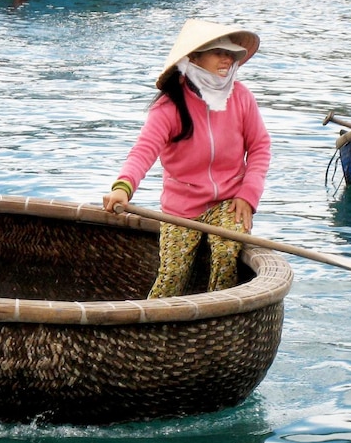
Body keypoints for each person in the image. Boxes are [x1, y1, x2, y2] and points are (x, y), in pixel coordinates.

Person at [103, 19, 271, 299]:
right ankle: (156, 323)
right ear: (194, 57)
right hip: (181, 208)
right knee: (172, 275)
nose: (227, 60)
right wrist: (123, 188)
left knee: (226, 248)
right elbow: (143, 151)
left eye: (231, 54)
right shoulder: (169, 106)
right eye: (219, 52)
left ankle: (218, 312)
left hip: (229, 201)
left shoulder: (241, 97)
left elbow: (260, 147)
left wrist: (248, 195)